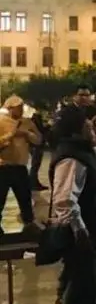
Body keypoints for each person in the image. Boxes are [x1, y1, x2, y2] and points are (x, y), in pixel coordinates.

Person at [44, 106, 96, 304]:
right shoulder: (72, 157)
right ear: (76, 128)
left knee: (87, 281)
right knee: (82, 282)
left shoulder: (84, 150)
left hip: (90, 227)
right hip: (80, 232)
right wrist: (80, 230)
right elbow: (64, 199)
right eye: (88, 124)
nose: (93, 127)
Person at [0, 95, 42, 234]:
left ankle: (29, 223)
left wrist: (27, 134)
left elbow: (38, 140)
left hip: (20, 166)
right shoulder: (1, 121)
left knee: (25, 197)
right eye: (18, 108)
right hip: (3, 166)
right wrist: (11, 135)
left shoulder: (27, 122)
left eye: (21, 107)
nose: (21, 110)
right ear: (10, 108)